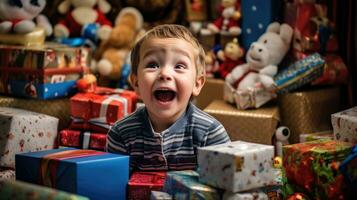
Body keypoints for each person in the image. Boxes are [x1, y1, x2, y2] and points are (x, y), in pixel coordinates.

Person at [106, 24, 230, 171]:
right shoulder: (121, 134)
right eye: (152, 65)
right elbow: (113, 185)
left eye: (179, 66)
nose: (165, 73)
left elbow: (225, 182)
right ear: (136, 83)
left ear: (197, 84)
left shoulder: (210, 133)